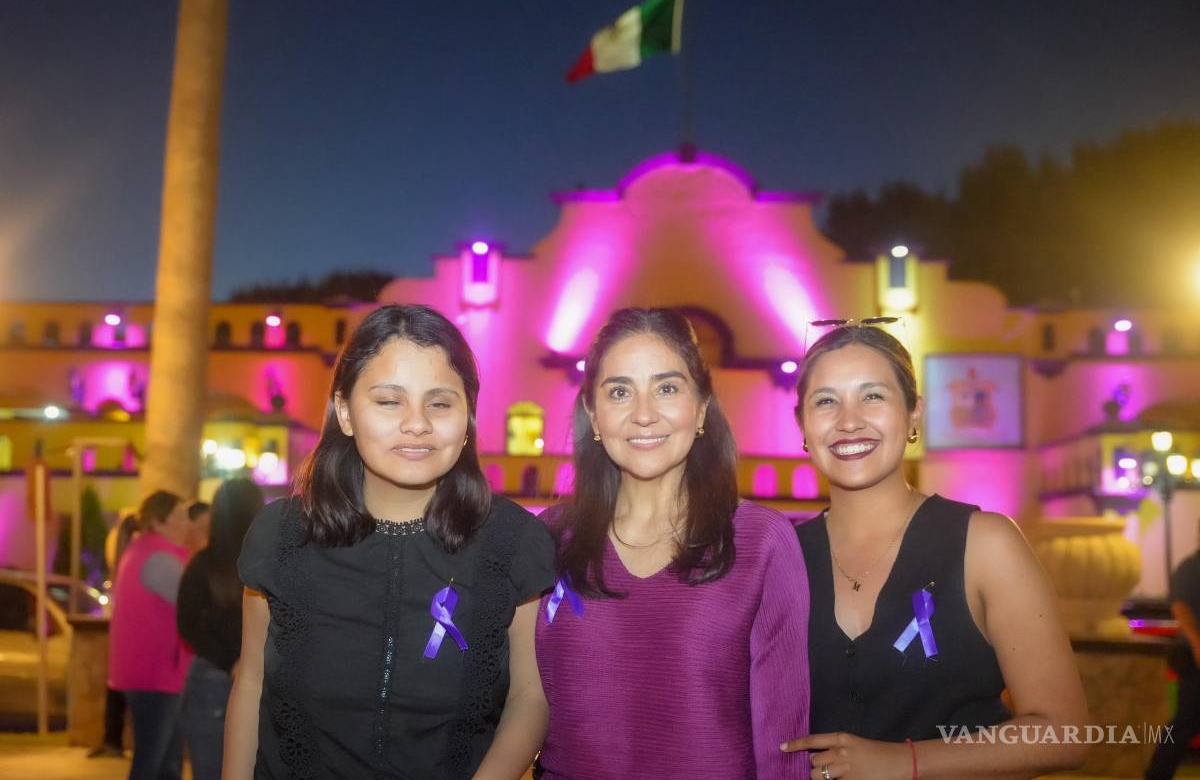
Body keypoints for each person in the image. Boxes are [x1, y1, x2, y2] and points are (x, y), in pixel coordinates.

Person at [223, 304, 555, 780]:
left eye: (440, 403)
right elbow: (252, 681)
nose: (416, 424)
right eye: (388, 401)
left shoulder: (513, 541)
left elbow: (530, 697)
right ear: (345, 411)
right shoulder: (282, 535)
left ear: (467, 419)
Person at [785, 322, 1088, 778]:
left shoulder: (984, 544)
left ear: (913, 414)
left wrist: (904, 761)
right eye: (825, 401)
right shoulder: (781, 556)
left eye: (873, 396)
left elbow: (1064, 733)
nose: (849, 421)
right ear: (803, 425)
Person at [534, 307, 811, 779]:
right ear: (592, 413)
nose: (644, 414)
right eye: (619, 391)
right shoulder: (549, 538)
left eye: (667, 388)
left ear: (701, 407)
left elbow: (783, 741)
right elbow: (521, 702)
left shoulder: (761, 541)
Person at [177, 479, 263, 780]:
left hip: (210, 677)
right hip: (259, 678)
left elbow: (187, 623)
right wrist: (240, 662)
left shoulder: (203, 563)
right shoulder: (268, 563)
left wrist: (228, 661)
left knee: (210, 768)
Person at [109, 491, 195, 780]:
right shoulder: (160, 561)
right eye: (182, 516)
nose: (188, 524)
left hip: (152, 673)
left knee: (164, 764)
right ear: (160, 522)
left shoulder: (144, 552)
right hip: (155, 675)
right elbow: (196, 604)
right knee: (152, 763)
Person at [1145, 525, 1200, 779]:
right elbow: (1180, 607)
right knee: (1184, 722)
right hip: (1195, 659)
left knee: (1185, 722)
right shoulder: (1191, 567)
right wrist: (1197, 644)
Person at [89, 511, 142, 759]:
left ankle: (113, 740)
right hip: (136, 632)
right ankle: (115, 741)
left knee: (118, 688)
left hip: (124, 631)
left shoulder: (123, 558)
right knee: (131, 692)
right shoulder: (137, 556)